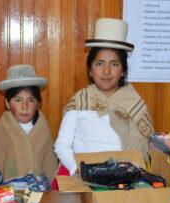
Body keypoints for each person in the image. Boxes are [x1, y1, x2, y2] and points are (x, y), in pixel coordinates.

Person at [53, 18, 154, 184]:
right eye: (99, 63)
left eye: (114, 64)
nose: (106, 71)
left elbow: (145, 146)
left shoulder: (135, 104)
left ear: (122, 71)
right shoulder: (79, 102)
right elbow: (62, 145)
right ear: (90, 70)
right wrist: (78, 170)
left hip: (123, 180)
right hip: (83, 178)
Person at [0, 64, 58, 189]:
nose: (24, 106)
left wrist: (54, 189)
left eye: (31, 100)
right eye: (18, 100)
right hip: (8, 193)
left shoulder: (43, 129)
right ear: (7, 102)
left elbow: (50, 164)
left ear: (38, 103)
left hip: (40, 192)